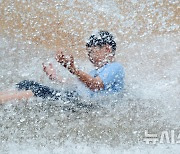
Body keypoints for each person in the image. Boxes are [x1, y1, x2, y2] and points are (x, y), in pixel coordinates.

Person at [0, 31, 125, 104]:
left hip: (83, 103)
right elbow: (80, 84)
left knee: (38, 91)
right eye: (88, 54)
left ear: (107, 49)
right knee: (27, 84)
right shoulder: (98, 70)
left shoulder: (115, 67)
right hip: (76, 97)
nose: (90, 57)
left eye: (92, 52)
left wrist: (74, 70)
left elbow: (95, 85)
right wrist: (57, 78)